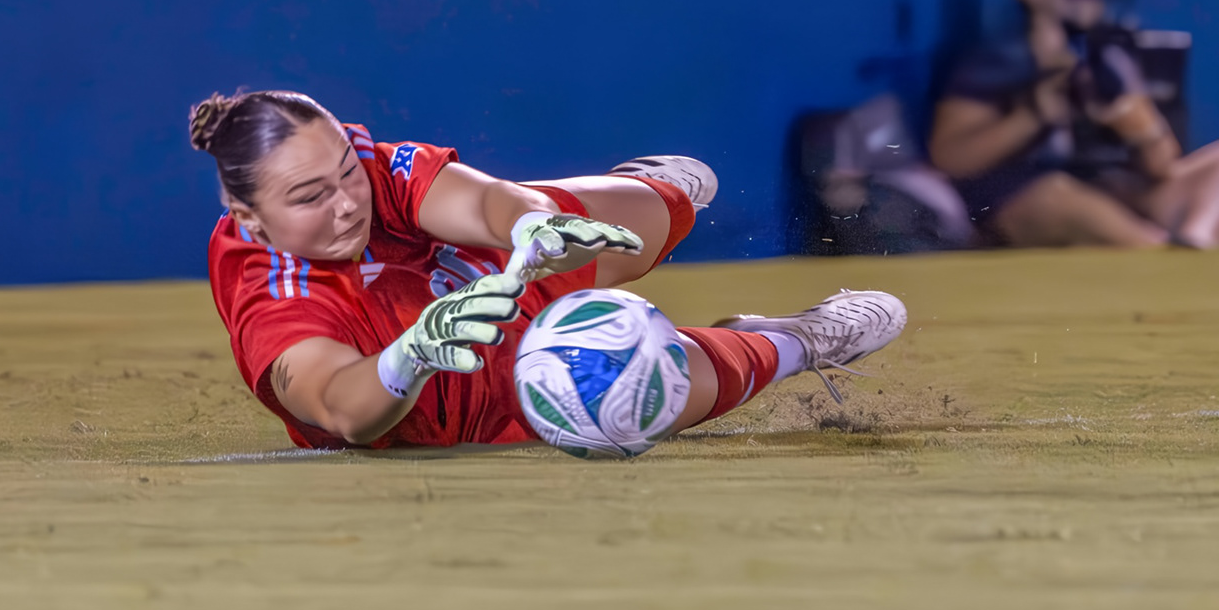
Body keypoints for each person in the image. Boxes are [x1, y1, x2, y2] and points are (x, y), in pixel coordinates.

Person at [190, 90, 906, 450]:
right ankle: (797, 341)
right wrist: (410, 353)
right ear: (246, 213)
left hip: (478, 276)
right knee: (657, 381)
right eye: (311, 197)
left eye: (347, 171)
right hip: (460, 404)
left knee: (623, 223)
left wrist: (534, 222)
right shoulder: (269, 292)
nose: (348, 204)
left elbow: (484, 201)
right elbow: (342, 406)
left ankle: (647, 189)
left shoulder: (369, 169)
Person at [927, 0, 1219, 248]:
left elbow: (1162, 166)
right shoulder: (998, 61)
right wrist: (1032, 116)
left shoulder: (1108, 60)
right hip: (1032, 200)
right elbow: (950, 157)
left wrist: (1140, 129)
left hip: (1116, 192)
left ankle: (1196, 245)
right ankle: (1162, 256)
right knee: (1057, 195)